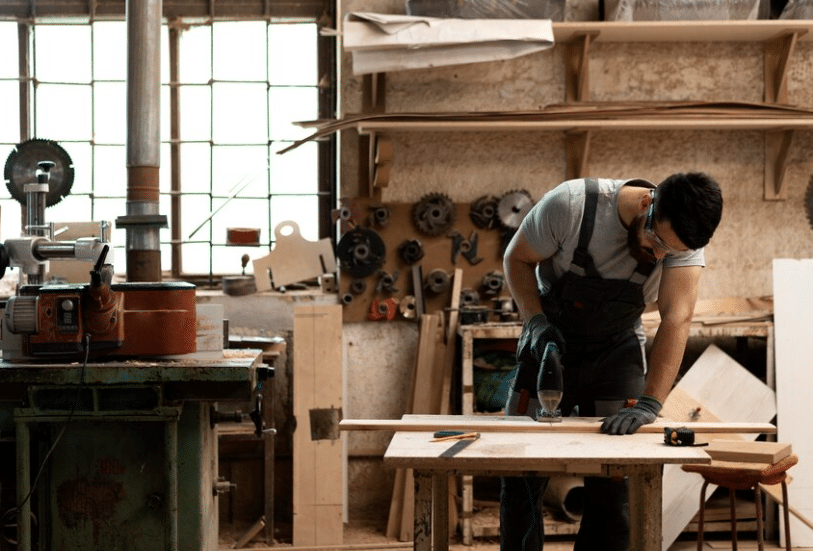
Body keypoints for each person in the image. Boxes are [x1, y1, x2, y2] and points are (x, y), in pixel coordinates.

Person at [500, 173, 723, 551]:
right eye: (657, 242)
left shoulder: (680, 242)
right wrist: (536, 325)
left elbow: (676, 317)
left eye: (673, 251)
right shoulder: (571, 205)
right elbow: (516, 259)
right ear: (646, 204)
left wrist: (652, 402)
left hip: (616, 354)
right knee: (521, 476)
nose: (661, 256)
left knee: (618, 489)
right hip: (550, 348)